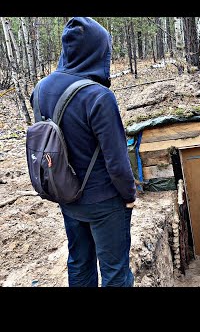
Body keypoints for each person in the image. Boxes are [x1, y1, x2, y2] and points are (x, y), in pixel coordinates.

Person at [30, 17, 136, 287]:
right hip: (104, 202)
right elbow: (117, 160)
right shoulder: (98, 96)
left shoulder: (40, 90)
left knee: (79, 263)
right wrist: (129, 195)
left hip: (67, 195)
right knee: (115, 274)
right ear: (98, 50)